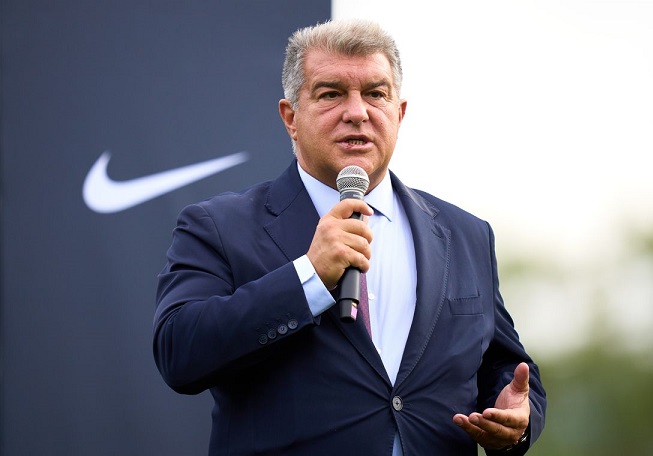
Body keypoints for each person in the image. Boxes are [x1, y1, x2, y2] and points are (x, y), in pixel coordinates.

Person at [153, 19, 546, 455]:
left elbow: (503, 363)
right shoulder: (219, 226)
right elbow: (179, 351)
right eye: (331, 93)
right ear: (291, 118)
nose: (357, 112)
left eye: (375, 93)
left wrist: (516, 416)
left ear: (399, 113)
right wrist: (308, 277)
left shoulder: (465, 233)